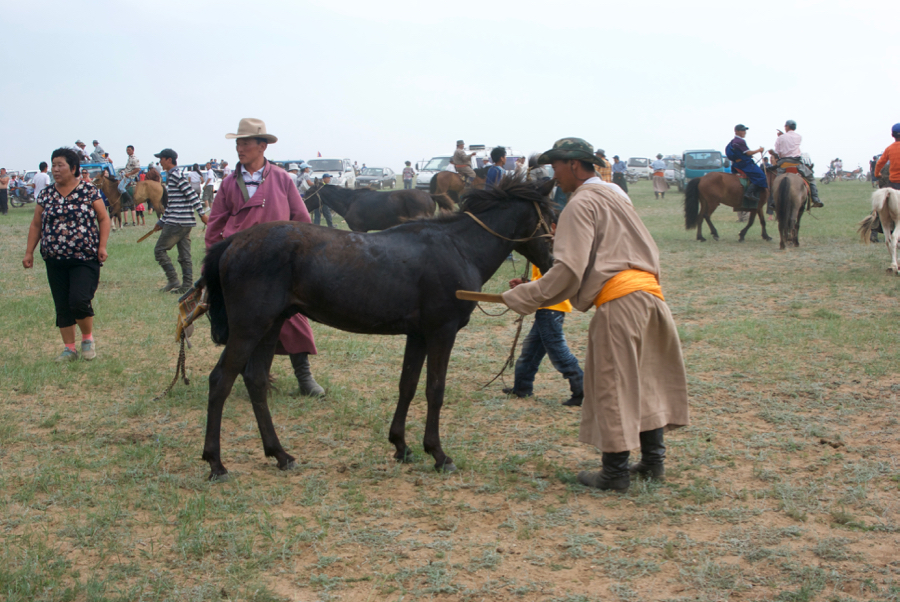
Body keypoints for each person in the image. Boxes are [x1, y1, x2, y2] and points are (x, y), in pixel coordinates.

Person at [502, 137, 689, 493]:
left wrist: (524, 295)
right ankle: (652, 463)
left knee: (611, 384)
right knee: (646, 377)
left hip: (620, 303)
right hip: (650, 296)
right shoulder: (618, 194)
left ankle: (615, 472)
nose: (554, 176)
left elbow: (569, 270)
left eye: (556, 166)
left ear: (573, 164)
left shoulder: (580, 203)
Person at [205, 117, 324, 397]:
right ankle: (255, 375)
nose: (239, 148)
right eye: (238, 143)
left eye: (245, 142)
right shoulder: (227, 183)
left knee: (293, 316)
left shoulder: (282, 178)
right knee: (244, 321)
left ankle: (304, 376)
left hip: (279, 261)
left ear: (262, 147)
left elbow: (301, 218)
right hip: (242, 262)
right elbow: (215, 225)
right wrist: (212, 264)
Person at [23, 147, 110, 361]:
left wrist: (102, 246)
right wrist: (29, 252)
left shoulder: (88, 191)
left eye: (60, 165)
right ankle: (69, 348)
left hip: (84, 257)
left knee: (79, 300)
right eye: (53, 165)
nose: (55, 169)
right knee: (62, 304)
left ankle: (87, 339)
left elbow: (104, 218)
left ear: (73, 168)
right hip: (54, 258)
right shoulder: (46, 194)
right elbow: (36, 224)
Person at [504, 258, 584, 407]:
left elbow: (554, 283)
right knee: (530, 351)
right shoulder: (544, 253)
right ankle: (522, 388)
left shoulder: (552, 253)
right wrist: (527, 284)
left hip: (551, 308)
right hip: (547, 308)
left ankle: (581, 390)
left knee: (558, 352)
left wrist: (526, 287)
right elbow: (544, 282)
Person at [153, 148, 208, 294]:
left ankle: (173, 280)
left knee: (159, 250)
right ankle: (187, 285)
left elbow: (192, 196)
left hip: (177, 221)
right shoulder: (174, 175)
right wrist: (162, 221)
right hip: (185, 222)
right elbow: (173, 204)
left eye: (162, 159)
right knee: (184, 255)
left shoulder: (175, 176)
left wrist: (202, 214)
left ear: (169, 160)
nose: (160, 162)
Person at [772, 119, 823, 207]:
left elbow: (777, 151)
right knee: (811, 179)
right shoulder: (799, 136)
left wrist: (781, 137)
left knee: (775, 182)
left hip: (783, 164)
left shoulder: (780, 138)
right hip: (797, 163)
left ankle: (773, 202)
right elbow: (791, 141)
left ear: (787, 126)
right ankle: (815, 199)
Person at [725, 125, 768, 205]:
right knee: (761, 176)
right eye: (742, 130)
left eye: (745, 130)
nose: (744, 132)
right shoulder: (740, 141)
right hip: (744, 164)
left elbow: (742, 153)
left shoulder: (733, 141)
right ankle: (749, 193)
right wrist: (759, 150)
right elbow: (748, 152)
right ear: (736, 131)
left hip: (736, 164)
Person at [874, 124, 900, 191]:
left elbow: (879, 163)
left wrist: (877, 174)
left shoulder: (889, 149)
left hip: (894, 183)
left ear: (892, 135)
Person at [120, 145, 140, 226]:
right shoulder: (129, 158)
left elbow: (137, 169)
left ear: (133, 150)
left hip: (129, 177)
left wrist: (129, 174)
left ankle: (128, 199)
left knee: (120, 187)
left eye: (129, 150)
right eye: (127, 150)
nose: (127, 151)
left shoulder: (134, 159)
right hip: (125, 174)